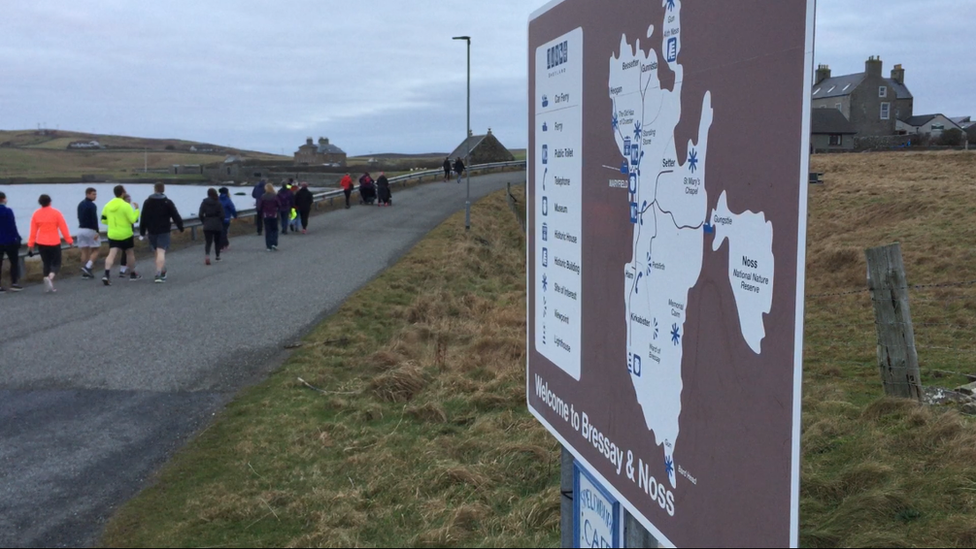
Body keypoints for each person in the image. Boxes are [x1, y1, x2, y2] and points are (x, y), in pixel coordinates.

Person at [27, 194, 73, 293]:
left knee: (46, 263)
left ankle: (47, 284)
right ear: (50, 202)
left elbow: (33, 231)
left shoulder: (36, 214)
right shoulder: (56, 213)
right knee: (56, 262)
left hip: (41, 242)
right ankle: (51, 277)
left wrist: (30, 245)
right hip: (54, 241)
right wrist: (69, 240)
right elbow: (63, 227)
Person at [140, 182, 184, 283]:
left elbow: (143, 217)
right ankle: (158, 273)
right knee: (161, 251)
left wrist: (142, 231)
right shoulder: (167, 202)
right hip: (164, 230)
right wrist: (180, 227)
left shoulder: (147, 202)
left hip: (152, 230)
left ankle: (161, 270)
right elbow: (175, 215)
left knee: (156, 251)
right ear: (163, 189)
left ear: (155, 189)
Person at [101, 184, 140, 285]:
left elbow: (103, 220)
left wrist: (113, 223)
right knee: (129, 253)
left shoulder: (107, 205)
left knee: (112, 254)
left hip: (113, 234)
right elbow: (133, 219)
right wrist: (136, 210)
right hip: (126, 234)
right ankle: (132, 273)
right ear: (123, 193)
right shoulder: (125, 205)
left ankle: (106, 274)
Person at [0, 191, 23, 292]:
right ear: (3, 199)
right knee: (14, 262)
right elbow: (12, 226)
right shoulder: (8, 211)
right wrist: (17, 238)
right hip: (9, 241)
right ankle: (14, 283)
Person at [76, 187, 101, 279]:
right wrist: (97, 231)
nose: (95, 196)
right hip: (90, 229)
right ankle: (88, 266)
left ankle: (85, 271)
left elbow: (78, 216)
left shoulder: (80, 204)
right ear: (88, 194)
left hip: (81, 229)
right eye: (93, 194)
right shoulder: (92, 205)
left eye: (95, 194)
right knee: (96, 249)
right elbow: (94, 219)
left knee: (84, 250)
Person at [198, 188, 225, 265]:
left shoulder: (204, 203)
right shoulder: (218, 203)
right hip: (217, 224)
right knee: (217, 241)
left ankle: (207, 256)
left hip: (208, 223)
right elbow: (222, 215)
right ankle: (217, 256)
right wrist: (220, 221)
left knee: (208, 242)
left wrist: (204, 221)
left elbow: (200, 214)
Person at [259, 182, 279, 251]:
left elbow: (260, 206)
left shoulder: (263, 196)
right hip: (274, 214)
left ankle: (268, 246)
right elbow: (279, 204)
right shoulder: (275, 196)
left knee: (268, 231)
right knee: (274, 230)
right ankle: (274, 243)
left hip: (266, 215)